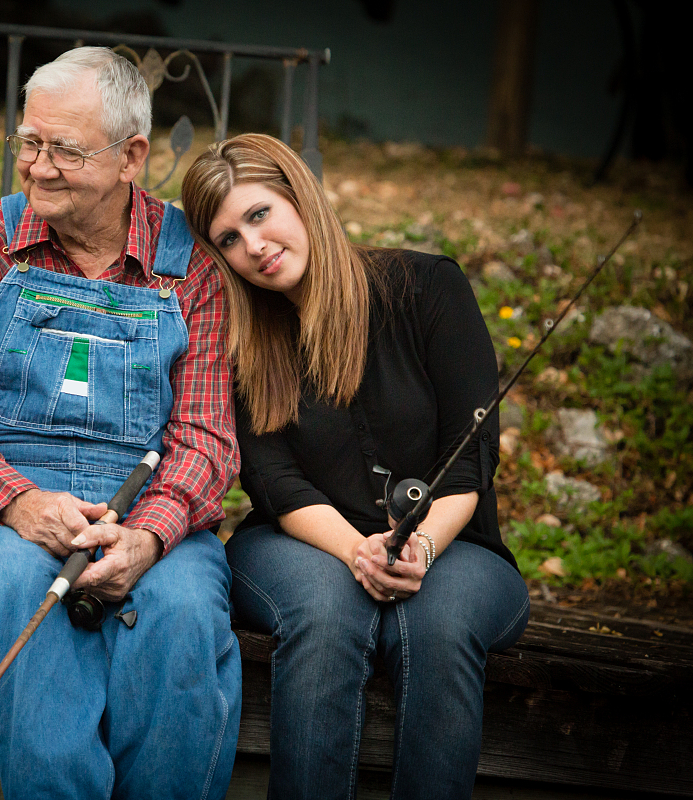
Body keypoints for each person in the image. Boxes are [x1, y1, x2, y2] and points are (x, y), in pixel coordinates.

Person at [0, 47, 241, 799]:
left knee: (181, 608)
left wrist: (147, 535)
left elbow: (206, 442)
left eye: (66, 150)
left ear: (132, 157)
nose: (39, 166)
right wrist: (22, 503)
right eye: (30, 142)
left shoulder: (191, 268)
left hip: (145, 505)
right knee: (28, 585)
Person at [180, 133, 530, 800]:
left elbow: (471, 452)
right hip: (299, 539)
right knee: (326, 608)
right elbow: (273, 478)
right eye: (227, 239)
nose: (251, 246)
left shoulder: (427, 288)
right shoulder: (244, 342)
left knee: (438, 621)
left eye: (259, 215)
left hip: (456, 545)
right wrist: (357, 551)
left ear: (300, 199)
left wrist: (420, 545)